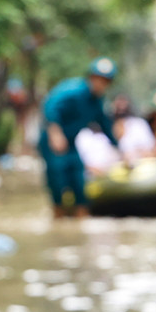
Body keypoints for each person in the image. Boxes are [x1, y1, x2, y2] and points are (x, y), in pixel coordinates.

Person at [38, 57, 118, 217]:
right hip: (52, 141)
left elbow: (105, 125)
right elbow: (50, 106)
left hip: (72, 142)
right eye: (98, 79)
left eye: (105, 81)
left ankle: (81, 219)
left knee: (78, 179)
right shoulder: (73, 90)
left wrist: (119, 147)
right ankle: (57, 213)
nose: (100, 84)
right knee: (57, 179)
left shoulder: (97, 102)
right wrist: (55, 132)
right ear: (91, 77)